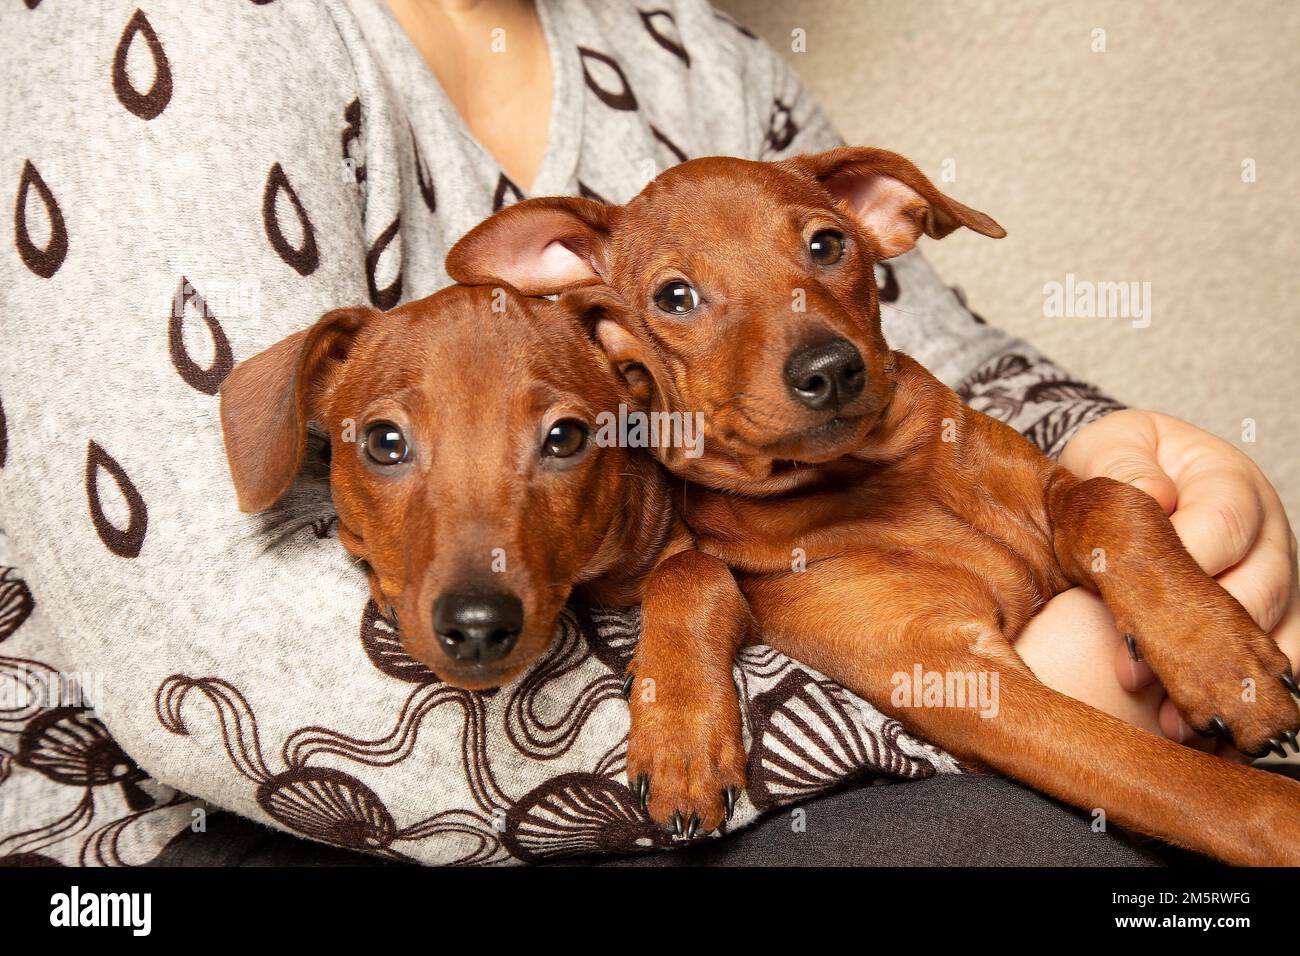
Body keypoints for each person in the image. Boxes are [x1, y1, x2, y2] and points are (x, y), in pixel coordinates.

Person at [0, 0, 1293, 866]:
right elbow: (223, 664)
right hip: (190, 826)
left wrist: (1133, 462)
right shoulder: (159, 40)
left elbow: (929, 372)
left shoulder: (691, 51)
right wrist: (960, 698)